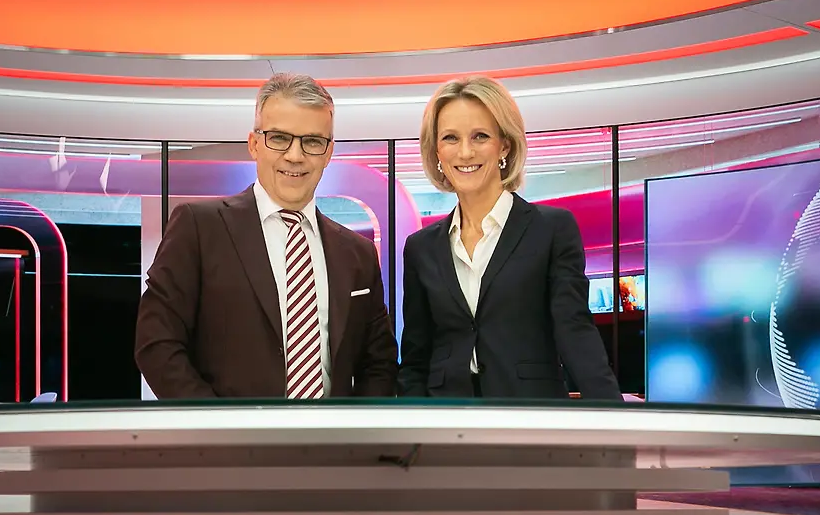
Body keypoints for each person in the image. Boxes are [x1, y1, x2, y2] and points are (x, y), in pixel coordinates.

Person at [135, 73, 399, 399]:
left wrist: (356, 429)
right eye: (279, 138)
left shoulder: (358, 253)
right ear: (254, 144)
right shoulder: (198, 228)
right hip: (224, 431)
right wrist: (216, 423)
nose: (295, 155)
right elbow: (157, 344)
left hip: (332, 433)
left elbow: (379, 363)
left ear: (329, 152)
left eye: (312, 141)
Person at [397, 76, 620, 401]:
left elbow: (575, 330)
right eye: (450, 138)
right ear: (437, 151)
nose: (465, 151)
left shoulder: (552, 229)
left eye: (480, 136)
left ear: (505, 145)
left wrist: (612, 412)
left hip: (528, 412)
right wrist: (414, 423)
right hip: (446, 417)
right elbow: (416, 358)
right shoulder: (421, 248)